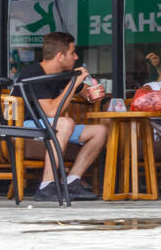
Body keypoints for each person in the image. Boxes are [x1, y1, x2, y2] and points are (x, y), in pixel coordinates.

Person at [16, 31, 110, 202]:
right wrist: (74, 83)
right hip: (25, 127)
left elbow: (85, 94)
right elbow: (51, 112)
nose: (76, 57)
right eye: (72, 53)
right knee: (65, 123)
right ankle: (46, 185)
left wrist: (93, 94)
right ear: (60, 56)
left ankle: (72, 181)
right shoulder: (34, 74)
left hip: (48, 127)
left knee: (100, 131)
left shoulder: (63, 73)